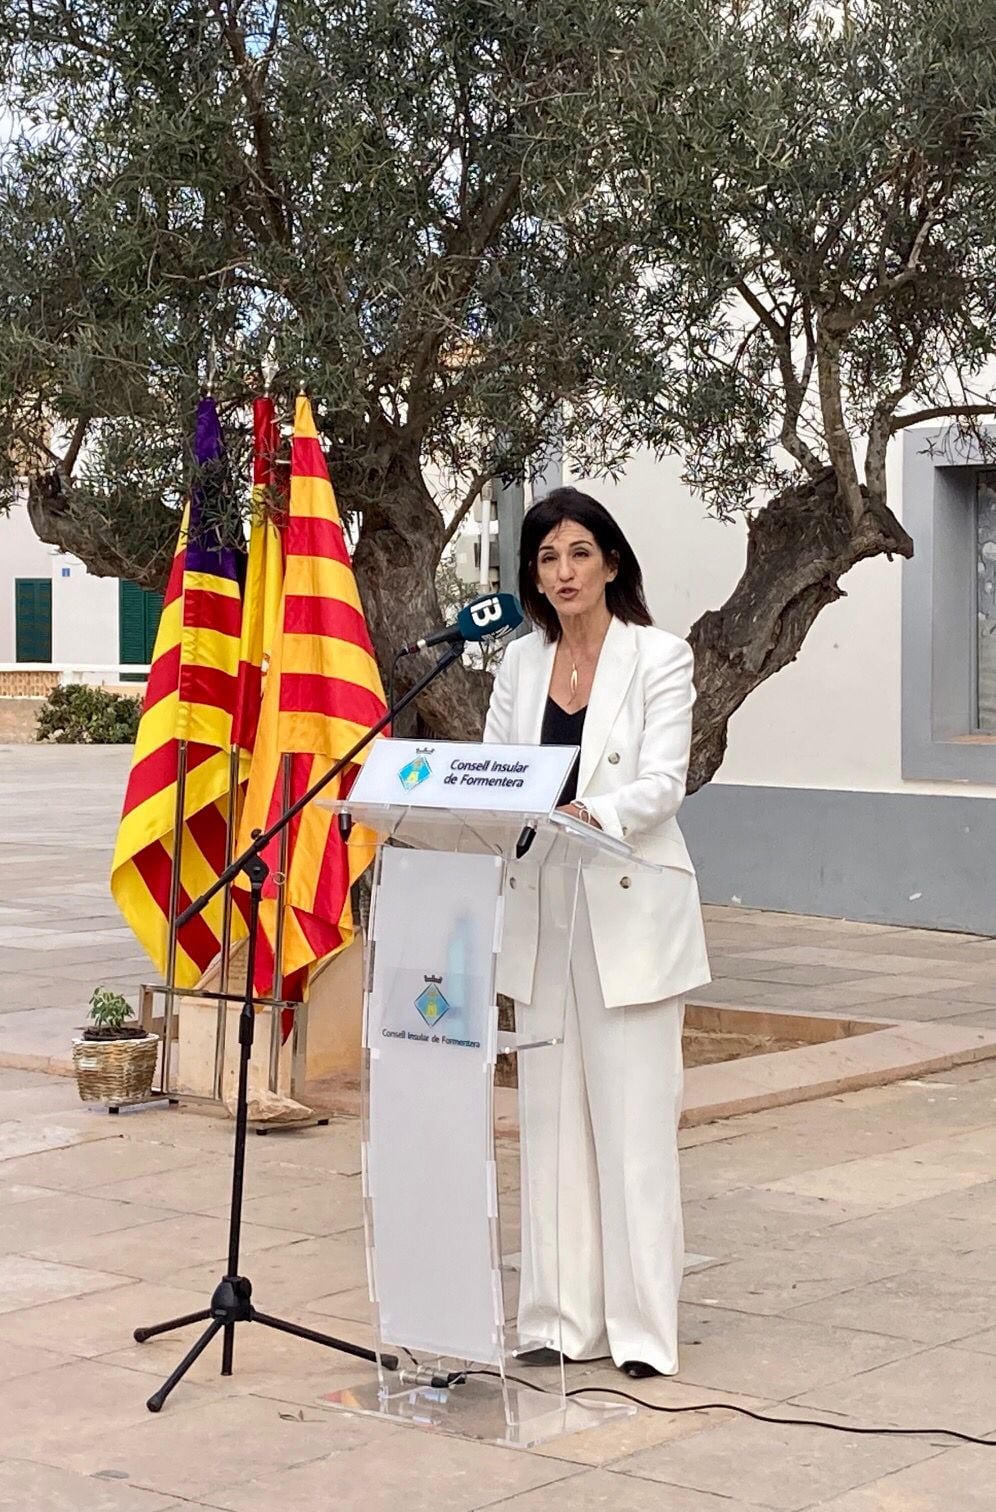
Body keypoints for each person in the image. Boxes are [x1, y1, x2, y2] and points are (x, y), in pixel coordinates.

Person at [483, 485, 710, 1380]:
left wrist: (589, 811)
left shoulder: (661, 656)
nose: (564, 571)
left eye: (579, 553)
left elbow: (665, 783)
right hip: (543, 909)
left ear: (611, 563)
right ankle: (557, 1320)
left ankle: (643, 1332)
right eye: (546, 557)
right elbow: (500, 773)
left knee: (633, 1130)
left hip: (627, 907)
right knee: (549, 1124)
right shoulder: (516, 665)